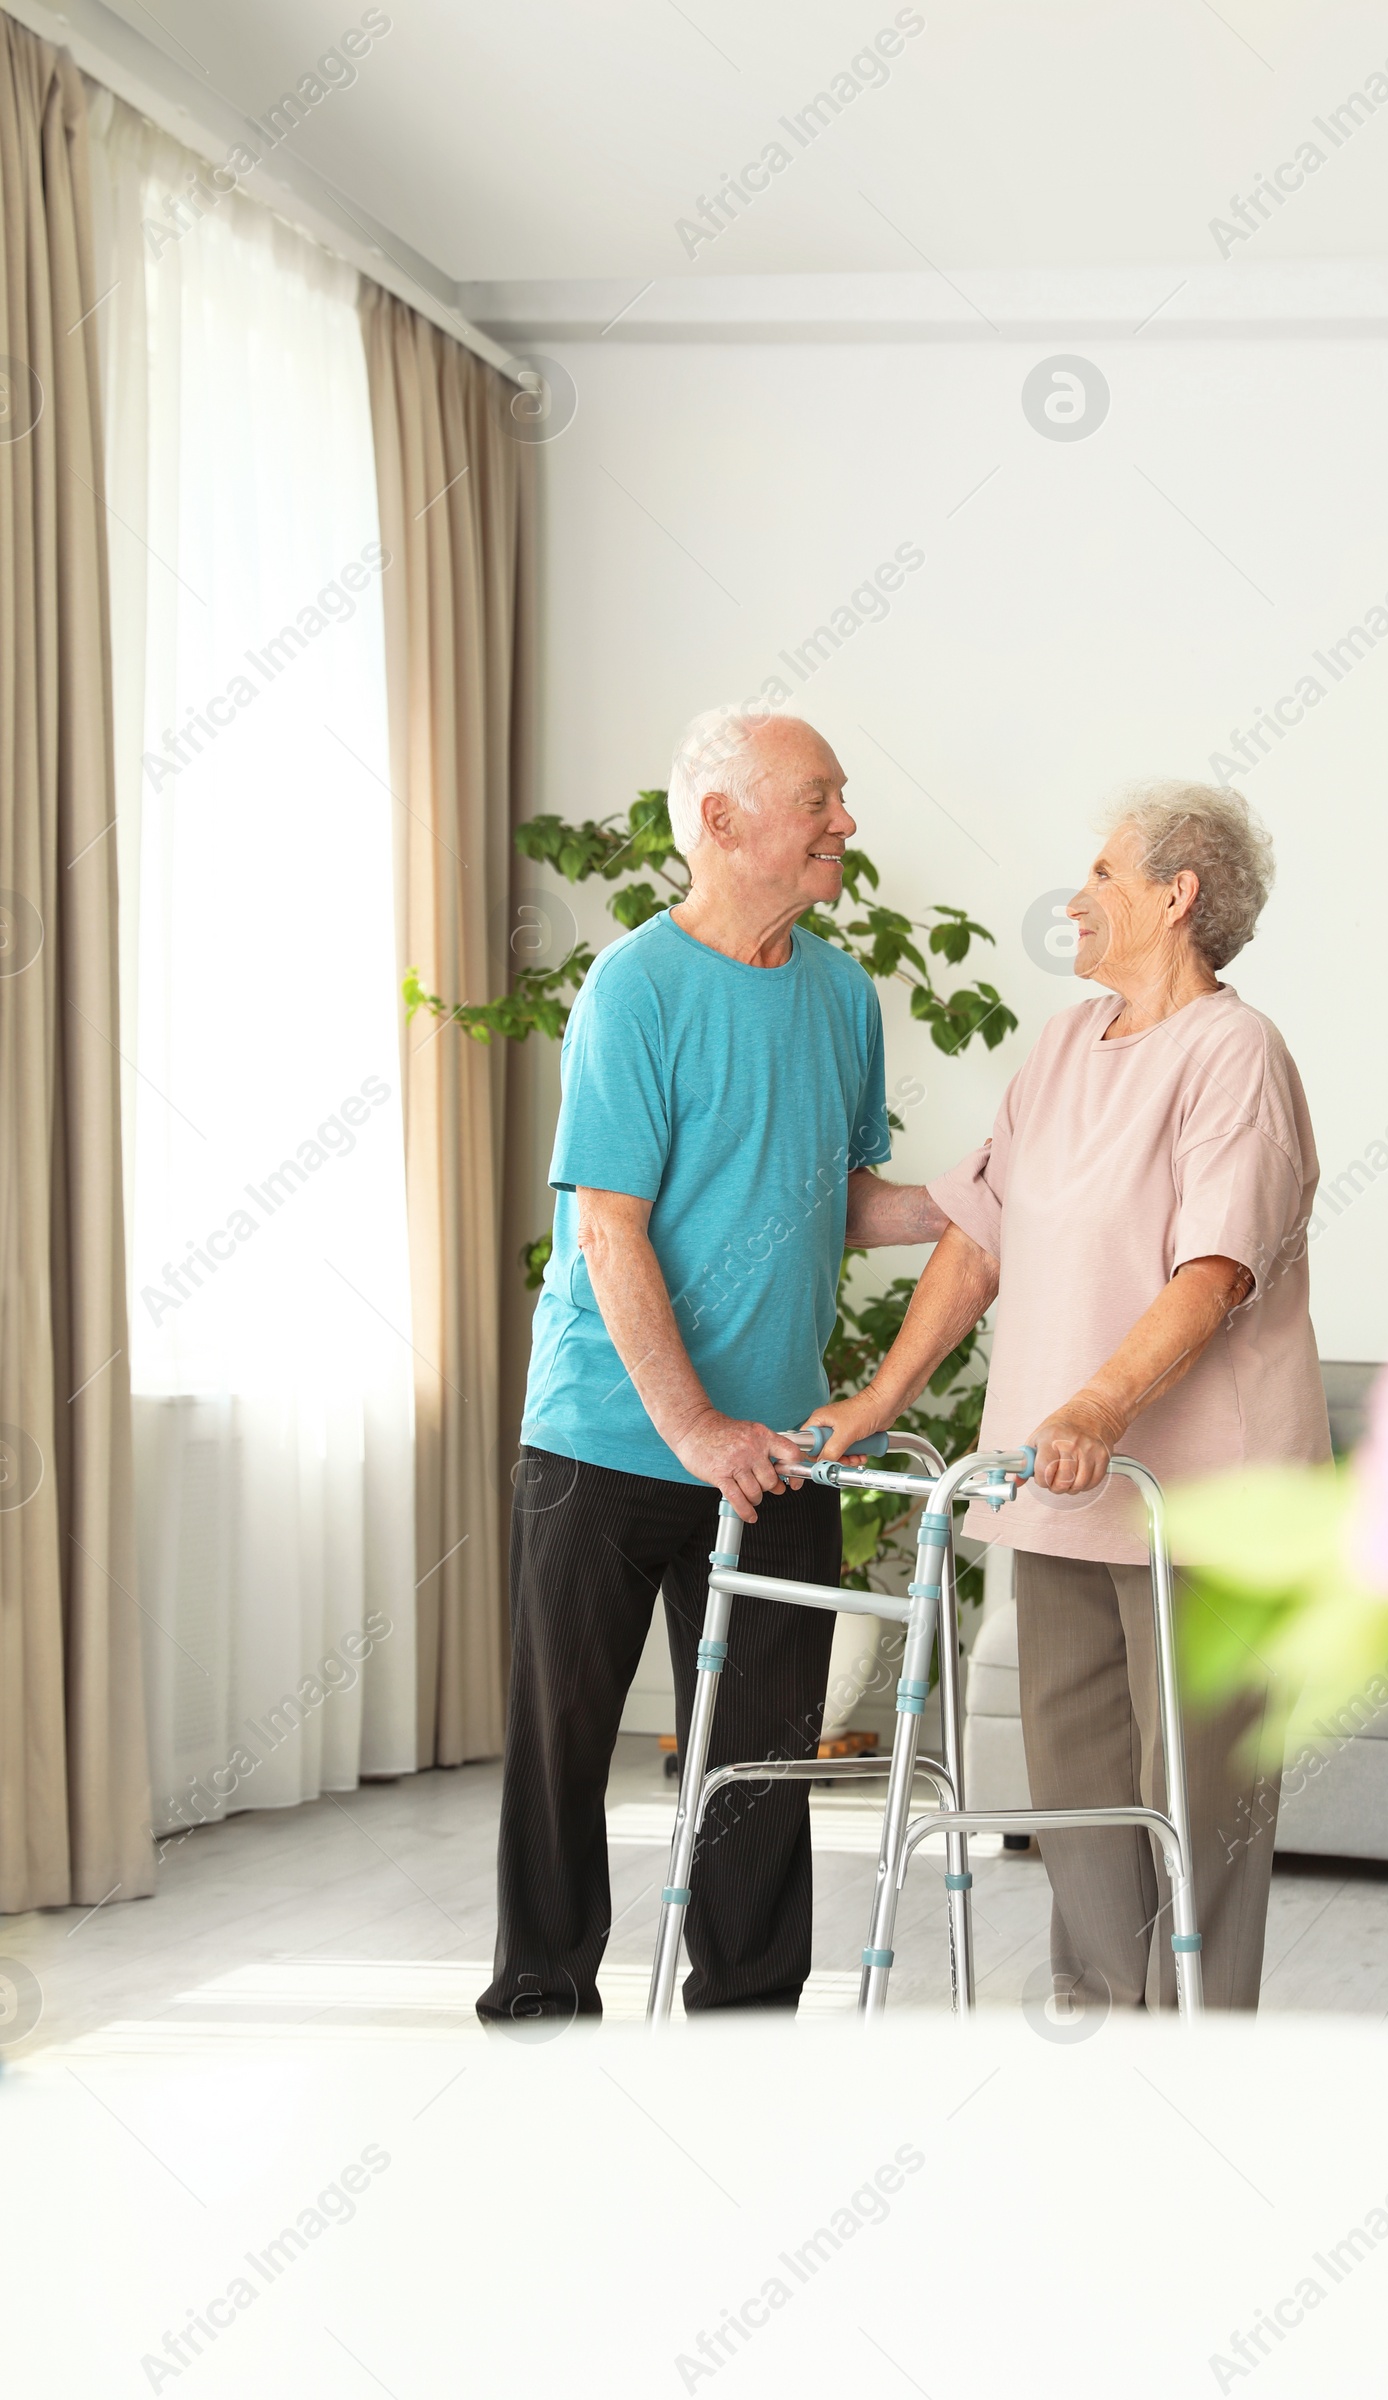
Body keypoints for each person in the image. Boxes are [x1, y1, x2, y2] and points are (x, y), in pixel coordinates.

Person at [814, 783, 1330, 2012]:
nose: (1078, 897)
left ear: (1175, 895)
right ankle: (1100, 2043)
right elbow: (976, 1236)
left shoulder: (1233, 1054)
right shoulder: (1055, 1047)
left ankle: (1193, 2057)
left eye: (1101, 873)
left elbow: (1214, 1268)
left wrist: (1097, 1409)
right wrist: (883, 1396)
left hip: (1199, 1503)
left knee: (1196, 1799)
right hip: (1050, 1492)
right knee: (1075, 1793)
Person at [478, 705, 943, 2023]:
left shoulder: (843, 994)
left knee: (765, 1761)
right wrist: (689, 1429)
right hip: (606, 1443)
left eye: (841, 798)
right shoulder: (635, 987)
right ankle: (542, 2010)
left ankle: (746, 2024)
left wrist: (971, 1199)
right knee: (565, 1752)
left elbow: (842, 1197)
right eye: (821, 798)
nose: (844, 822)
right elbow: (607, 1228)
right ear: (725, 820)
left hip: (777, 1452)